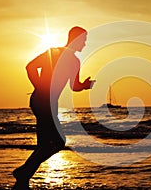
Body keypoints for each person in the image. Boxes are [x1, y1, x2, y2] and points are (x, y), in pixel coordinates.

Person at [12, 26, 95, 189]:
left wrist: (84, 85)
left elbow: (74, 86)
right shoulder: (54, 52)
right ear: (76, 39)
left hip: (50, 103)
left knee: (44, 144)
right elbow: (30, 67)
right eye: (83, 40)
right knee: (58, 141)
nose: (84, 45)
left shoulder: (75, 62)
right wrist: (40, 87)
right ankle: (23, 173)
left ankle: (22, 179)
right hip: (42, 101)